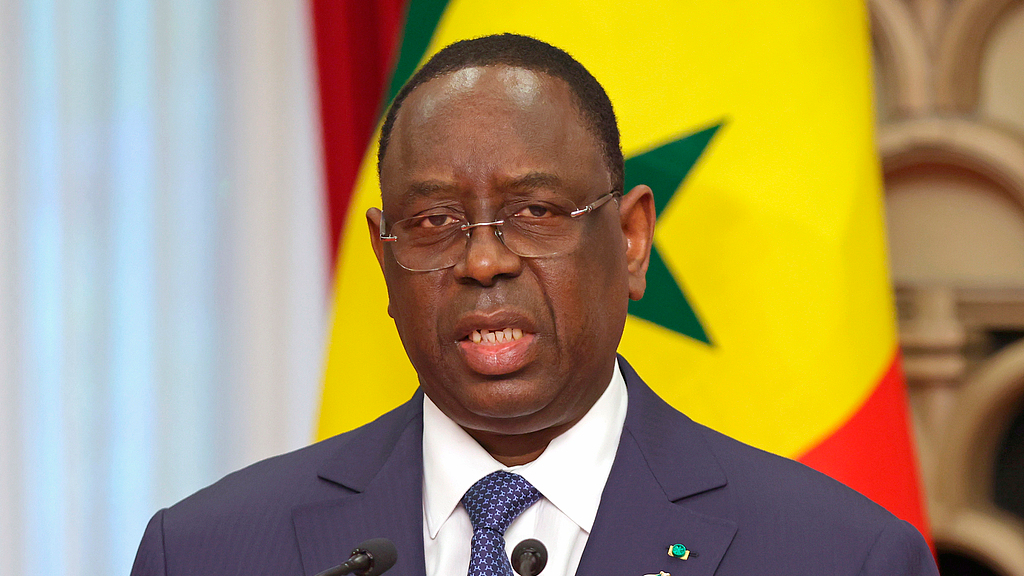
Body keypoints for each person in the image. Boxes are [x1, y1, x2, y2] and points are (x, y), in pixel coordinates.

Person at [130, 33, 938, 576]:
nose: (483, 261)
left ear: (629, 240)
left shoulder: (839, 557)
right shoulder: (209, 553)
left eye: (535, 213)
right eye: (434, 222)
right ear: (385, 258)